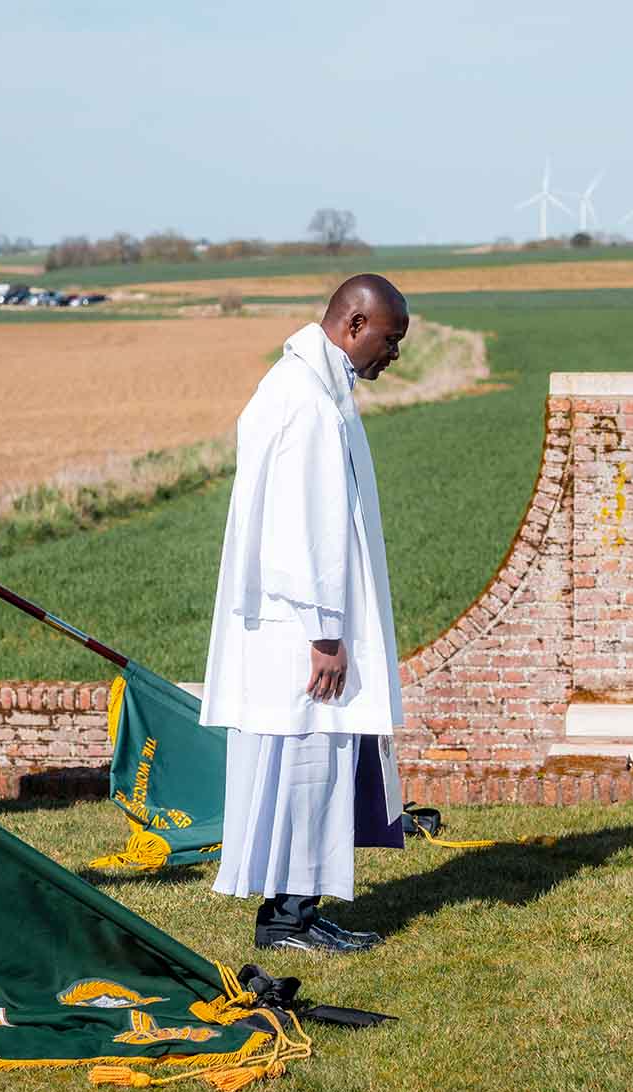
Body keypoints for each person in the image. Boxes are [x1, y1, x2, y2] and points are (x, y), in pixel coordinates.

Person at [200, 274, 411, 953]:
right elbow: (305, 528)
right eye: (390, 338)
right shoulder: (308, 404)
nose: (393, 354)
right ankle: (289, 919)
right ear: (354, 325)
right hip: (306, 631)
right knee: (305, 768)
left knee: (310, 767)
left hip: (302, 624)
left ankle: (298, 908)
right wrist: (326, 631)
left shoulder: (309, 390)